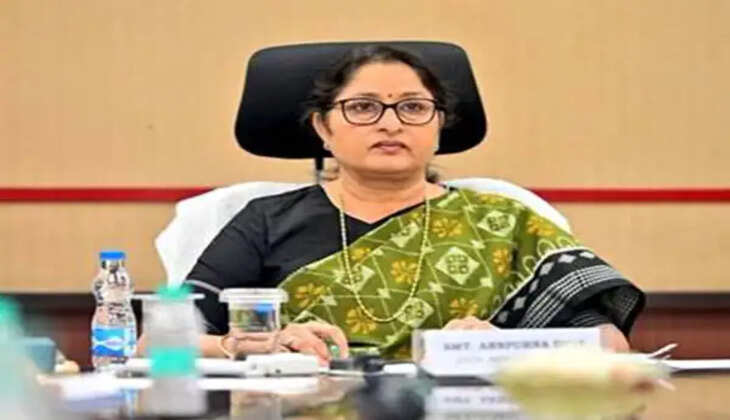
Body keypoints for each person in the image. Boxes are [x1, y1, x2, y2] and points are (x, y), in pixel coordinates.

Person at [185, 45, 644, 363]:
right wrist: (247, 345)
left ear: (439, 126)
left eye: (413, 107)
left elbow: (609, 344)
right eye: (362, 107)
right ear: (324, 128)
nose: (391, 124)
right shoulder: (264, 220)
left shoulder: (505, 221)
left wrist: (505, 346)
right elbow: (163, 343)